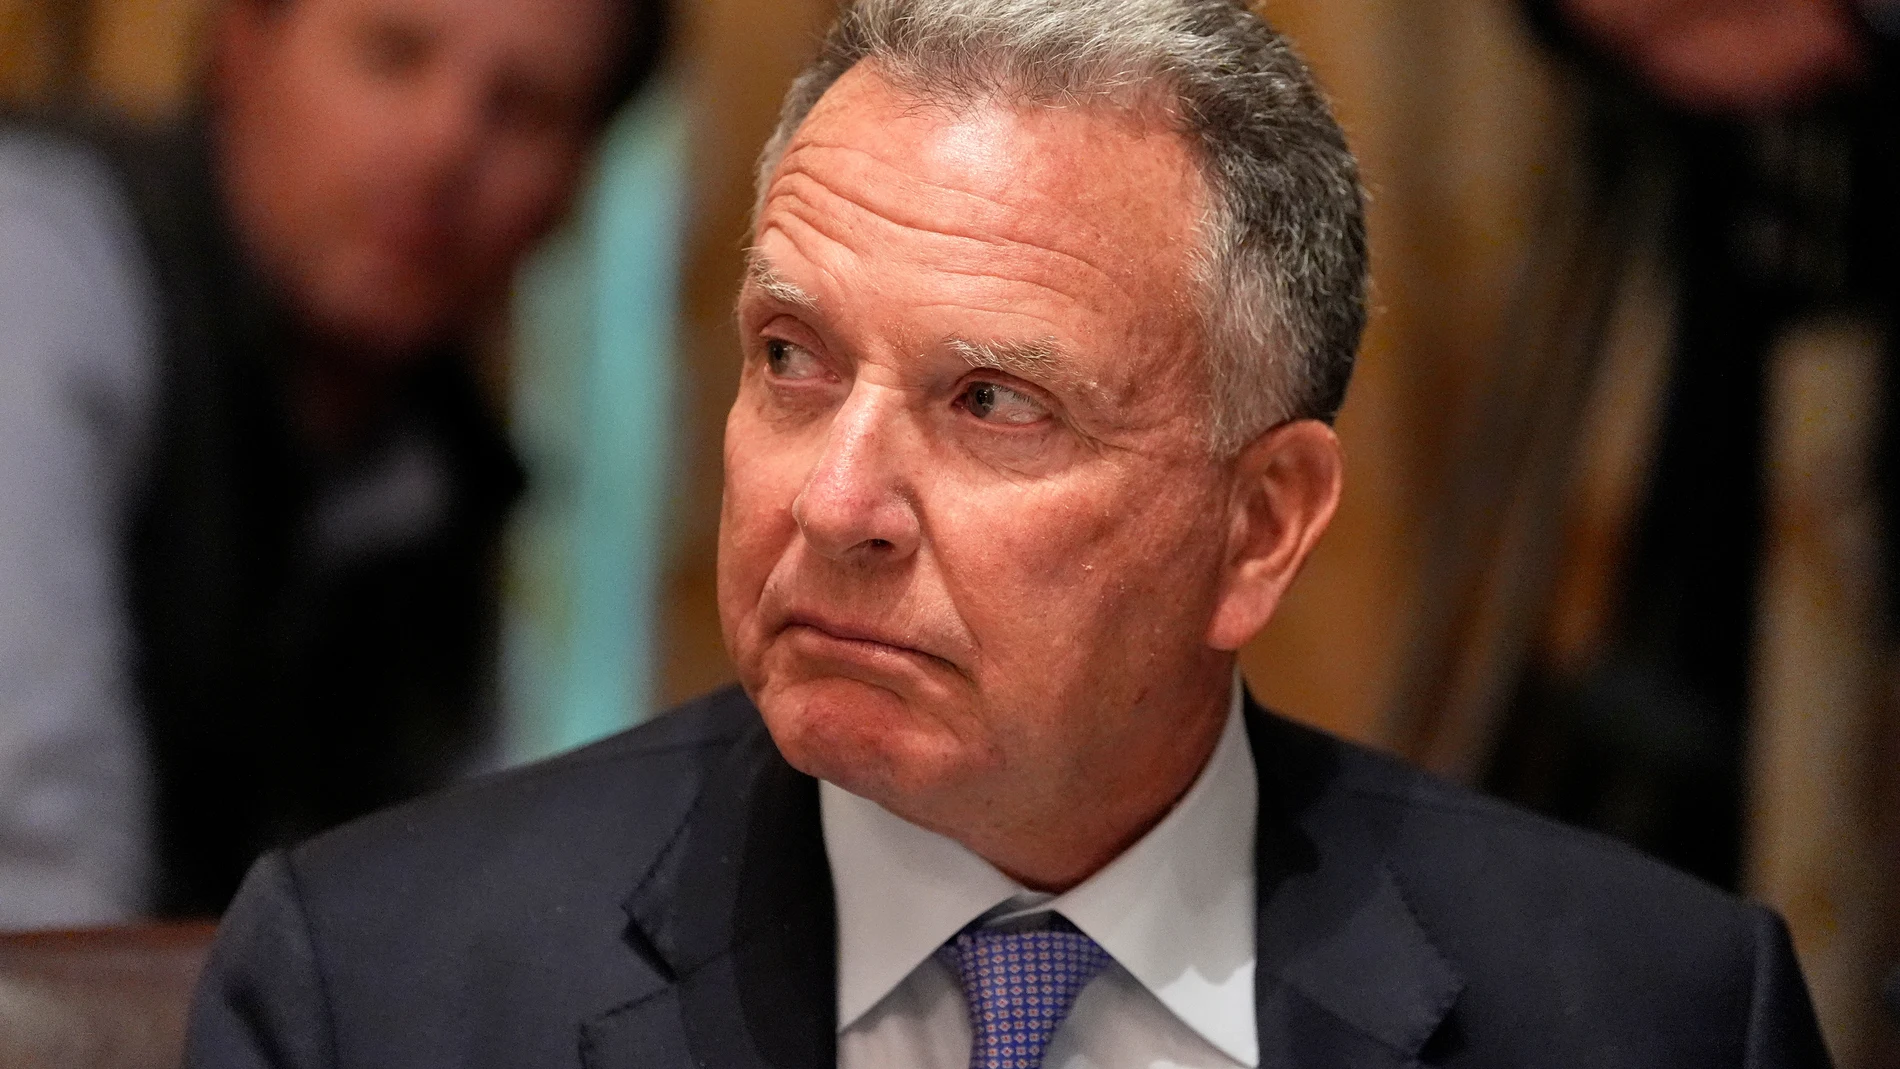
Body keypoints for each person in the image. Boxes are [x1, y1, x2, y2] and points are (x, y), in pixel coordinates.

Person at [184, 0, 1830, 1065]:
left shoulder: (1657, 1008)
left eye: (993, 402)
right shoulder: (376, 986)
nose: (834, 504)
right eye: (790, 362)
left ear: (1261, 526)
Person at [0, 0, 667, 923]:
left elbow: (475, 912)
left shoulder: (435, 459)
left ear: (575, 186)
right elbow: (36, 881)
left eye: (526, 108)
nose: (445, 146)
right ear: (240, 41)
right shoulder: (38, 258)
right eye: (392, 55)